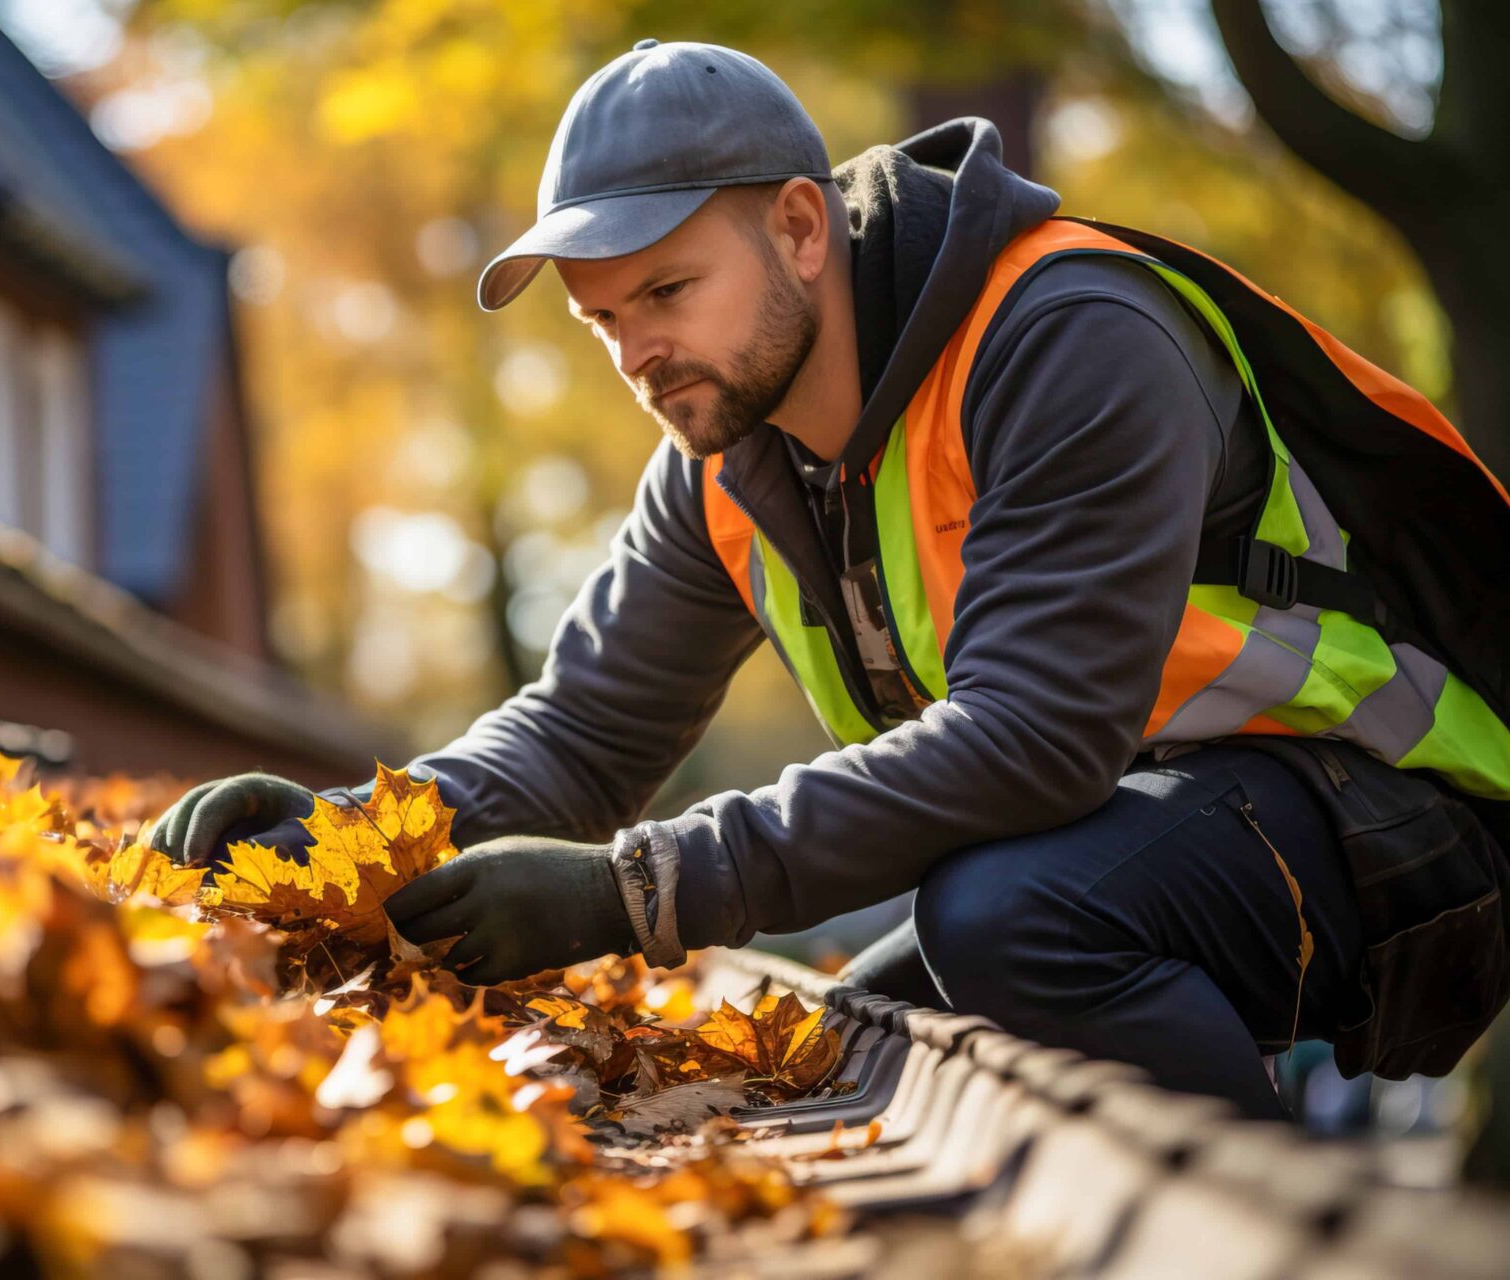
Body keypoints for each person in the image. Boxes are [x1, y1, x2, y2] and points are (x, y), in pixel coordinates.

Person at [148, 40, 1510, 1120]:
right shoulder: (726, 461)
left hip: (1399, 815)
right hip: (1141, 827)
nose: (637, 355)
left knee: (1002, 920)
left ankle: (1264, 1242)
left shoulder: (1072, 338)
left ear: (802, 226)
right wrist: (350, 843)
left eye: (668, 292)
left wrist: (636, 894)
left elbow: (1034, 740)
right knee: (853, 1029)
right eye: (605, 320)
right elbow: (580, 735)